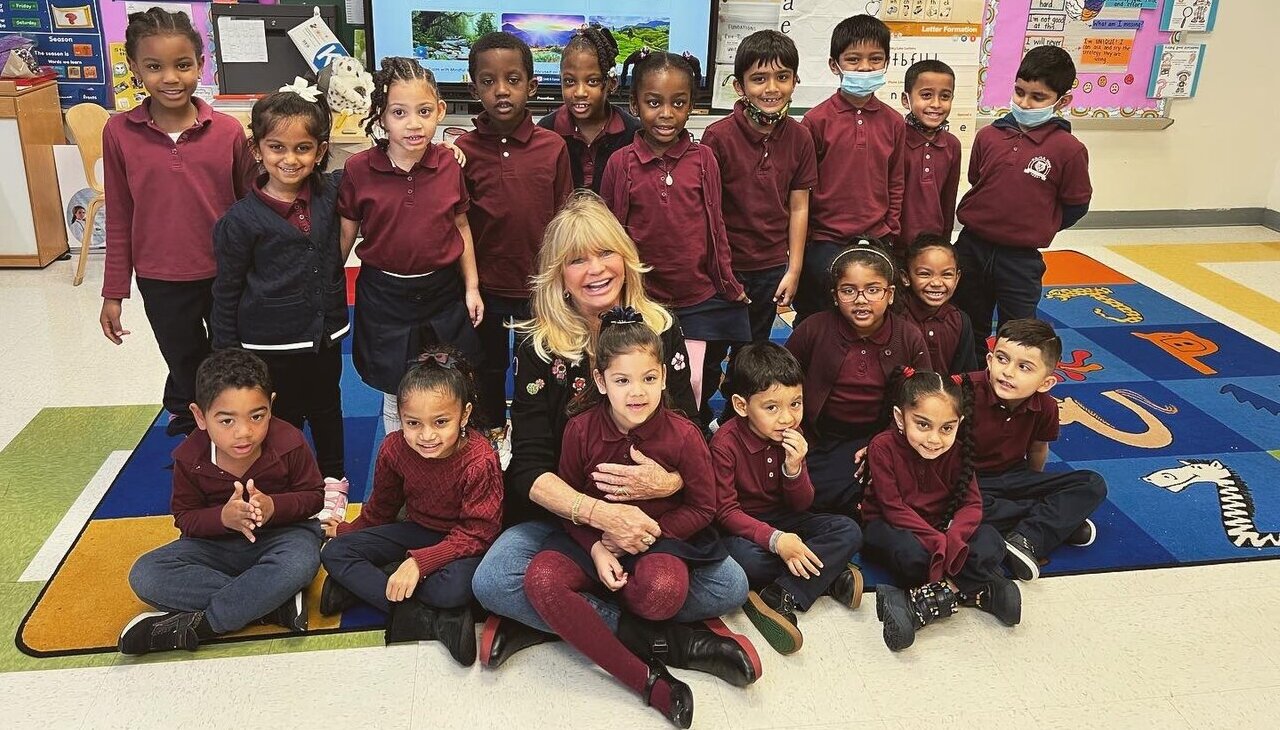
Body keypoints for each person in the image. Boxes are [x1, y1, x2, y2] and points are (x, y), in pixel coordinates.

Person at [471, 191, 757, 688]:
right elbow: (528, 469)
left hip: (656, 523)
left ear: (626, 257)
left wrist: (665, 484)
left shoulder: (661, 327)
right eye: (577, 260)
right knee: (492, 581)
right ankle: (666, 641)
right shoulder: (540, 345)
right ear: (558, 275)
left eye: (606, 253)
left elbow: (691, 430)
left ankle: (561, 619)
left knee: (730, 584)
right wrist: (600, 515)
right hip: (571, 522)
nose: (596, 269)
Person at [525, 308, 720, 728]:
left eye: (649, 379)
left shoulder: (684, 434)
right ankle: (647, 681)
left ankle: (583, 620)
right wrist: (597, 546)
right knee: (539, 579)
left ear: (665, 377)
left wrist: (649, 534)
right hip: (591, 541)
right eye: (622, 380)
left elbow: (705, 507)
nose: (637, 392)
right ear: (600, 382)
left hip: (659, 541)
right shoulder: (579, 430)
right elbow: (569, 500)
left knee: (665, 590)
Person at [98, 7, 256, 437]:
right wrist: (114, 292)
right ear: (134, 68)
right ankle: (193, 423)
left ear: (200, 66)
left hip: (226, 272)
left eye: (182, 65)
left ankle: (226, 424)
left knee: (229, 356)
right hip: (160, 276)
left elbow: (251, 207)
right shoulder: (118, 133)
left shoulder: (226, 131)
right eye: (154, 66)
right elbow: (120, 214)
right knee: (184, 357)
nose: (171, 77)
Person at [119, 349, 323, 655]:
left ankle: (205, 625)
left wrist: (274, 507)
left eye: (258, 416)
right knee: (145, 573)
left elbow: (313, 497)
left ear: (272, 406)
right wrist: (223, 518)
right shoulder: (189, 458)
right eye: (226, 421)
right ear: (200, 417)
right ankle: (270, 604)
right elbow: (186, 518)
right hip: (216, 547)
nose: (244, 432)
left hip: (283, 538)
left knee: (299, 563)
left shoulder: (289, 441)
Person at [320, 350, 502, 666]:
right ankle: (422, 612)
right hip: (416, 529)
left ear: (465, 414)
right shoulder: (394, 448)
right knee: (334, 553)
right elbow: (381, 508)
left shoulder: (480, 460)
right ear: (400, 418)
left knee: (452, 590)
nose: (427, 435)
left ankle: (379, 587)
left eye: (441, 422)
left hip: (464, 545)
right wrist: (348, 531)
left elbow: (479, 533)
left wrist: (420, 563)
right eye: (413, 423)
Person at [601, 51, 749, 429]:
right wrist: (618, 295)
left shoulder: (704, 160)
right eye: (653, 103)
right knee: (645, 381)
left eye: (678, 103)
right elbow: (613, 233)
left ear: (691, 107)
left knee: (695, 384)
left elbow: (716, 227)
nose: (666, 113)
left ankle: (693, 440)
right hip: (643, 299)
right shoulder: (621, 163)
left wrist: (728, 283)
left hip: (698, 297)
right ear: (635, 104)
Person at [211, 87, 348, 493]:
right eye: (277, 148)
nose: (290, 159)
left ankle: (332, 483)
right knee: (278, 417)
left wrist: (448, 151)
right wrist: (226, 354)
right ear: (257, 149)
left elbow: (379, 165)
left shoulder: (330, 193)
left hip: (324, 337)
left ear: (321, 150)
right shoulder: (239, 221)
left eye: (303, 148)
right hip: (267, 345)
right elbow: (226, 290)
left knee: (328, 409)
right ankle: (281, 487)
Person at [339, 58, 482, 435]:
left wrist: (472, 287)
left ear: (440, 110)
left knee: (447, 382)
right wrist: (329, 294)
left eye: (423, 111)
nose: (413, 124)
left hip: (442, 291)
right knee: (397, 389)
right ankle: (400, 465)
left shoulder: (450, 164)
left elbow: (461, 225)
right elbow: (345, 235)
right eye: (399, 113)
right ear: (382, 117)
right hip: (384, 295)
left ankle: (449, 463)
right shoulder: (358, 169)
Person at [457, 32, 574, 435]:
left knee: (541, 364)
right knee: (487, 366)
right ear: (473, 88)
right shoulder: (462, 151)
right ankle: (491, 433)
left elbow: (564, 217)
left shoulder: (553, 146)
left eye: (513, 79)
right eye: (488, 82)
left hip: (540, 284)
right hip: (485, 286)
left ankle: (534, 435)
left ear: (533, 85)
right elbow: (458, 223)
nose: (501, 90)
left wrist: (562, 279)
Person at [713, 343, 863, 655]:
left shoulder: (794, 436)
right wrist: (776, 540)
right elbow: (725, 512)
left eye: (796, 404)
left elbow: (801, 505)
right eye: (772, 408)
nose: (787, 418)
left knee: (848, 530)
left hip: (784, 517)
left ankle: (781, 592)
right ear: (742, 406)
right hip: (743, 529)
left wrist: (793, 469)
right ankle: (825, 573)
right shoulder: (724, 444)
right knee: (747, 561)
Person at [864, 368, 1019, 651]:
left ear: (959, 423)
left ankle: (915, 601)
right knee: (910, 555)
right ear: (900, 418)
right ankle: (975, 589)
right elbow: (893, 508)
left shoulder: (960, 451)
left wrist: (954, 540)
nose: (935, 439)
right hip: (893, 527)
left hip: (942, 529)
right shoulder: (882, 447)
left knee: (992, 542)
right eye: (923, 425)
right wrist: (939, 544)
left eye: (946, 428)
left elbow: (972, 503)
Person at [953, 46, 1092, 360]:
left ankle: (1010, 391)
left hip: (1020, 259)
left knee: (1017, 332)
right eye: (1019, 92)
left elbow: (1076, 205)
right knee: (966, 323)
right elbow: (979, 179)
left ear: (1062, 101)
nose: (1024, 103)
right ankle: (970, 383)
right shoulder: (988, 136)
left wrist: (1038, 222)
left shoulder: (1068, 149)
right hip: (972, 246)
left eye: (1037, 97)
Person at [785, 240, 931, 516]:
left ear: (890, 294)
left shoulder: (908, 336)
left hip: (882, 437)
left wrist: (885, 443)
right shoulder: (813, 329)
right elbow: (781, 382)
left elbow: (924, 398)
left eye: (873, 290)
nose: (861, 300)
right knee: (809, 487)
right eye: (848, 291)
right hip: (820, 438)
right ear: (835, 295)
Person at [964, 319, 1107, 580]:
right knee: (961, 508)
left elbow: (1039, 449)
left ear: (1045, 382)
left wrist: (1033, 484)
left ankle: (1024, 537)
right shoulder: (963, 391)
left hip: (1013, 476)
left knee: (1092, 483)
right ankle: (1052, 523)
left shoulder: (1047, 406)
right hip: (969, 481)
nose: (1008, 372)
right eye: (1002, 359)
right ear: (988, 359)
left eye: (1024, 367)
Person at [701, 30, 817, 345]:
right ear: (740, 86)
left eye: (782, 77)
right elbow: (709, 212)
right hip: (725, 266)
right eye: (759, 78)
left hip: (772, 267)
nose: (771, 88)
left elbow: (799, 206)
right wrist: (722, 270)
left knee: (752, 351)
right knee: (712, 354)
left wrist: (793, 270)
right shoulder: (717, 137)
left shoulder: (801, 136)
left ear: (795, 81)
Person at [794, 14, 904, 322]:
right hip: (824, 240)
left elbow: (896, 181)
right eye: (853, 60)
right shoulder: (816, 120)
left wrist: (891, 228)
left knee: (869, 317)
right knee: (815, 315)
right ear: (834, 65)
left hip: (877, 237)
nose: (865, 68)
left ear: (886, 62)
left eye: (875, 59)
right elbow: (803, 185)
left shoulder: (894, 122)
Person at [537, 24, 640, 193]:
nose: (579, 92)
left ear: (611, 84)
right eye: (570, 81)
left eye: (592, 81)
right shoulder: (546, 131)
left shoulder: (633, 132)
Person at [897, 60, 962, 252]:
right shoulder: (894, 139)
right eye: (926, 95)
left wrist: (944, 245)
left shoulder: (952, 145)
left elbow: (948, 201)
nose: (936, 104)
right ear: (905, 99)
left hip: (932, 247)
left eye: (945, 96)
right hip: (893, 244)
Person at [899, 234, 979, 375]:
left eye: (947, 274)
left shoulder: (960, 321)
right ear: (906, 277)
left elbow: (966, 377)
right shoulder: (895, 317)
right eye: (925, 274)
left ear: (957, 277)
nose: (936, 283)